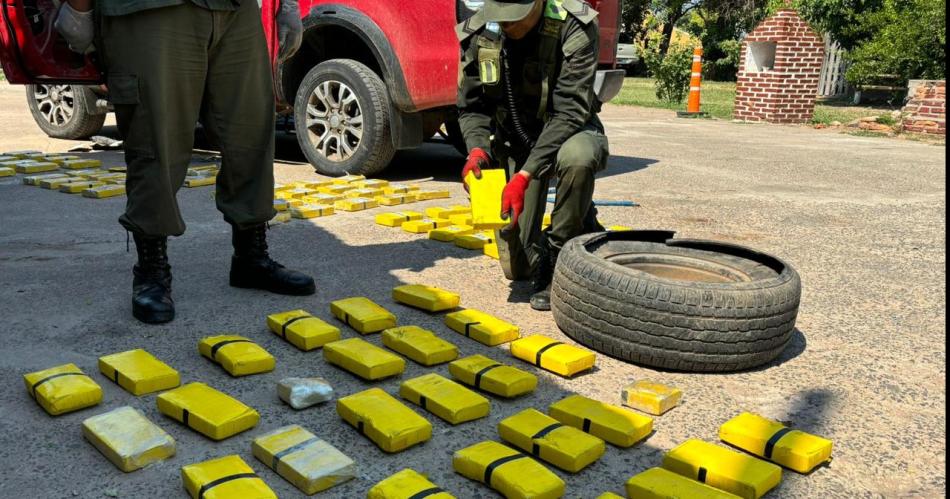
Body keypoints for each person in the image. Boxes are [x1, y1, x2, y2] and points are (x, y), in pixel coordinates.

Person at [55, 0, 313, 324]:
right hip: (149, 8)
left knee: (250, 128)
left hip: (235, 9)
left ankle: (252, 255)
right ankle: (151, 270)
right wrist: (80, 9)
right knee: (155, 136)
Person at [457, 0, 609, 311]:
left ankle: (558, 255)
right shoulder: (482, 31)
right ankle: (582, 220)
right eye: (502, 19)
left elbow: (570, 111)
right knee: (518, 267)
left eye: (515, 18)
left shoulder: (575, 24)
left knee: (578, 157)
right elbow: (471, 106)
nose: (507, 27)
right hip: (516, 139)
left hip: (569, 130)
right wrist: (476, 148)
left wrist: (525, 176)